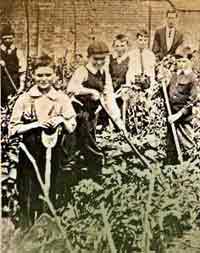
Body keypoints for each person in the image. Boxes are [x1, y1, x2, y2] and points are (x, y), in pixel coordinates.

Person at [9, 54, 76, 225]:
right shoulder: (25, 99)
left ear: (54, 75)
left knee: (52, 185)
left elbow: (71, 125)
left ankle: (48, 225)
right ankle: (27, 227)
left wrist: (61, 119)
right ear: (33, 76)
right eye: (39, 75)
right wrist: (36, 125)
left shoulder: (61, 98)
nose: (44, 79)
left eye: (47, 75)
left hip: (54, 150)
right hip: (30, 151)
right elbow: (12, 129)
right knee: (29, 188)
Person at [67, 40, 122, 173]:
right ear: (89, 57)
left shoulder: (104, 73)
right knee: (80, 142)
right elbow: (71, 88)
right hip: (78, 113)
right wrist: (90, 91)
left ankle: (86, 172)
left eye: (102, 59)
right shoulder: (82, 71)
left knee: (87, 140)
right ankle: (94, 167)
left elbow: (109, 96)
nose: (99, 62)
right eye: (95, 59)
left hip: (92, 114)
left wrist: (118, 120)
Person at [167, 54, 199, 163]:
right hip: (171, 116)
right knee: (171, 146)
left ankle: (189, 169)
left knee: (187, 145)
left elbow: (192, 101)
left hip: (184, 118)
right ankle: (172, 169)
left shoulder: (193, 78)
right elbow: (166, 93)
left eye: (184, 61)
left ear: (190, 63)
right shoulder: (174, 76)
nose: (181, 64)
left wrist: (178, 115)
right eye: (179, 61)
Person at [0, 23, 26, 107]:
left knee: (13, 102)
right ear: (1, 39)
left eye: (10, 38)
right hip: (1, 83)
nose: (8, 40)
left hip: (14, 81)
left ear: (13, 38)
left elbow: (22, 70)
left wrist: (22, 85)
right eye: (5, 38)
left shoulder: (18, 52)